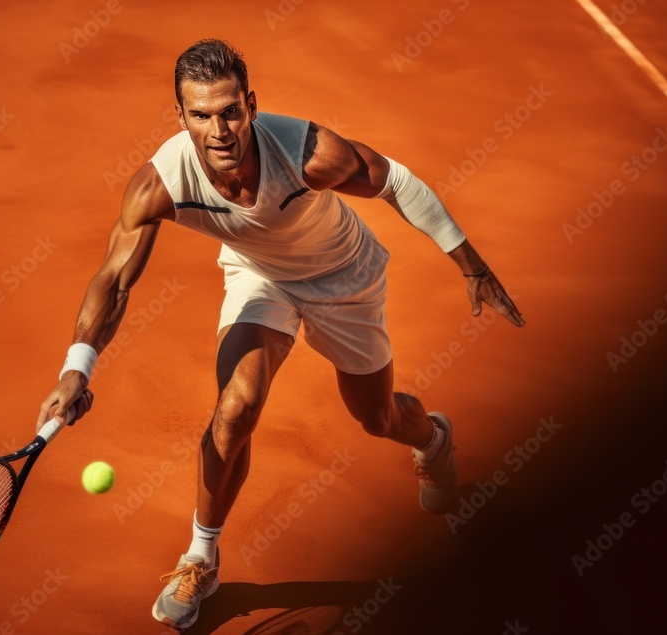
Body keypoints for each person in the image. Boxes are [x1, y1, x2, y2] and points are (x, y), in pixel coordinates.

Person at [36, 39, 525, 630]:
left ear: (251, 105)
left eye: (230, 111)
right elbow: (114, 279)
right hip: (260, 279)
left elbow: (394, 180)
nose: (219, 130)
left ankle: (434, 442)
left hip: (346, 278)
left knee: (376, 418)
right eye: (201, 114)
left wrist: (469, 262)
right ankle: (201, 557)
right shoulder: (158, 185)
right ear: (180, 116)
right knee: (236, 408)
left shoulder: (307, 152)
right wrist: (76, 369)